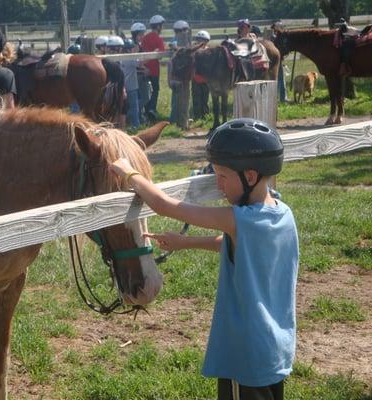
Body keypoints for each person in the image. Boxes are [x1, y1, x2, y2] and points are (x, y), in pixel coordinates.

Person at [110, 118, 298, 400]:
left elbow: (164, 205)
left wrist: (130, 173)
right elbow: (242, 249)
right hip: (275, 348)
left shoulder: (239, 219)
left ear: (249, 176)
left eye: (222, 175)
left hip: (244, 356)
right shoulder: (282, 214)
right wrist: (185, 243)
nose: (218, 184)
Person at [141, 15, 166, 121]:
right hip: (154, 70)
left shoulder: (145, 37)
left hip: (144, 68)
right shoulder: (158, 39)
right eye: (161, 25)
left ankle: (146, 110)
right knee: (155, 90)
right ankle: (152, 109)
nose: (162, 28)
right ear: (158, 26)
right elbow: (161, 51)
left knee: (146, 90)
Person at [131, 22, 150, 124]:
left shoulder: (136, 44)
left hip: (139, 73)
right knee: (145, 97)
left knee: (141, 97)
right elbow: (136, 62)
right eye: (141, 34)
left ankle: (138, 116)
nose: (143, 36)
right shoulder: (135, 46)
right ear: (137, 34)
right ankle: (132, 114)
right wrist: (148, 60)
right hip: (139, 75)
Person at [191, 30, 211, 120]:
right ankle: (197, 116)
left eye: (203, 40)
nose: (200, 42)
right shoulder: (194, 50)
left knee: (205, 97)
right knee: (196, 97)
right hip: (196, 77)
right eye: (199, 40)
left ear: (207, 41)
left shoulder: (209, 51)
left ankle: (205, 115)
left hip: (206, 78)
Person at [121, 38, 140, 128]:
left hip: (124, 87)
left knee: (126, 107)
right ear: (129, 49)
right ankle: (135, 125)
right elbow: (139, 63)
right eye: (132, 48)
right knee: (134, 107)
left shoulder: (121, 58)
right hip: (131, 87)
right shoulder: (130, 58)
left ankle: (128, 124)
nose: (133, 49)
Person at [271, 20, 289, 103]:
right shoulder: (275, 37)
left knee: (280, 78)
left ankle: (280, 97)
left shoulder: (275, 36)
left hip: (278, 59)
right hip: (276, 60)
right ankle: (282, 98)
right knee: (280, 79)